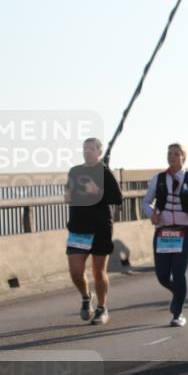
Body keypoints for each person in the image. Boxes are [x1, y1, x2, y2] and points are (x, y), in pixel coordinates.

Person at [142, 143, 188, 327]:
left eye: (176, 153)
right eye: (169, 153)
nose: (172, 156)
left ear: (183, 157)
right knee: (162, 275)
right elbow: (146, 202)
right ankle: (179, 293)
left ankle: (177, 313)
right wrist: (152, 214)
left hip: (186, 231)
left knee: (178, 270)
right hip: (164, 231)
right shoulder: (158, 179)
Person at [65, 137, 123, 325]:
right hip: (79, 227)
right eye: (84, 148)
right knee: (75, 271)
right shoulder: (75, 171)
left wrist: (97, 190)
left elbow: (117, 197)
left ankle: (102, 308)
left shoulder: (105, 172)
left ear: (99, 151)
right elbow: (69, 195)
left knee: (98, 271)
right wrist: (68, 195)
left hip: (100, 227)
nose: (87, 151)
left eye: (91, 148)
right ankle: (85, 297)